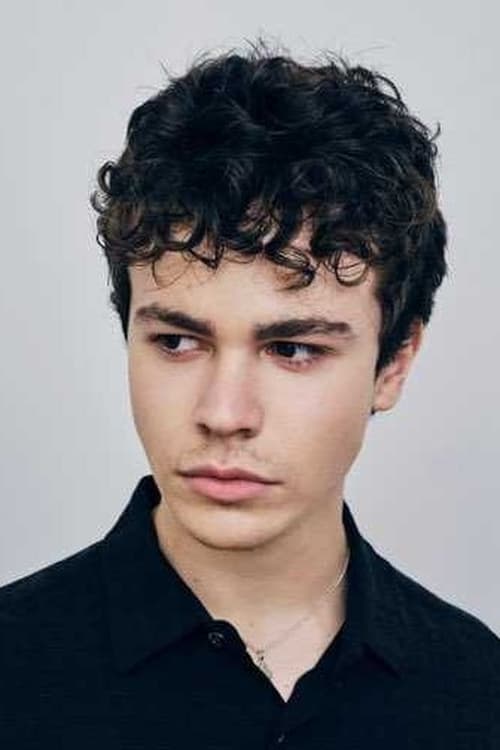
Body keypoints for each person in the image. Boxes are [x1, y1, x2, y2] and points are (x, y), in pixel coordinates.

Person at [1, 40, 499, 748]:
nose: (223, 414)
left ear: (394, 365)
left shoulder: (479, 691)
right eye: (178, 342)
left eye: (293, 349)